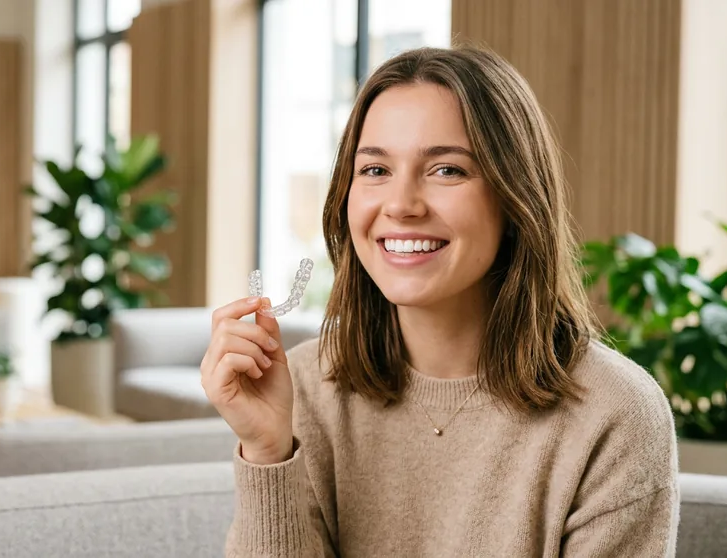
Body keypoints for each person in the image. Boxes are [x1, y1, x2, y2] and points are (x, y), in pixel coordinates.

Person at [201, 45, 679, 557]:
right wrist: (268, 452)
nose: (401, 205)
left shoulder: (617, 414)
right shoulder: (303, 391)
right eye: (375, 171)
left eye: (447, 170)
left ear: (515, 198)